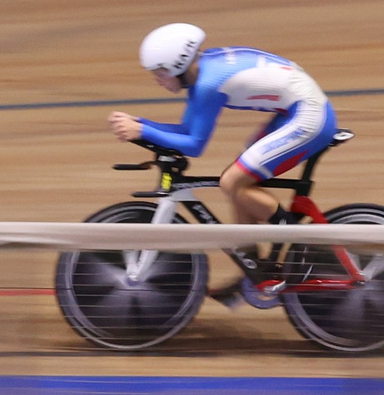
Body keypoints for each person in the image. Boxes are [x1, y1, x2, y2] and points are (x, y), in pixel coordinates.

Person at [108, 21, 338, 306]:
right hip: (296, 109)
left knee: (233, 181)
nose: (157, 79)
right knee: (239, 178)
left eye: (160, 73)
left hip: (309, 115)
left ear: (178, 66)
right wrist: (141, 124)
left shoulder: (207, 84)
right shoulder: (200, 73)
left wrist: (142, 131)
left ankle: (302, 244)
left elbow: (194, 145)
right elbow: (187, 130)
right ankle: (255, 271)